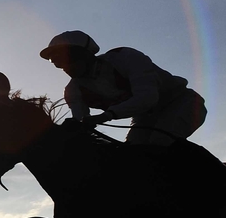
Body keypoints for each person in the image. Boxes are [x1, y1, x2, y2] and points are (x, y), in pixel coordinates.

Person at [39, 30, 207, 147]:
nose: (66, 68)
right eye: (59, 64)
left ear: (86, 55)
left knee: (159, 144)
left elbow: (148, 98)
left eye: (68, 60)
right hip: (144, 119)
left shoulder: (125, 58)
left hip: (183, 103)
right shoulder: (73, 91)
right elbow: (81, 123)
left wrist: (106, 116)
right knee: (130, 156)